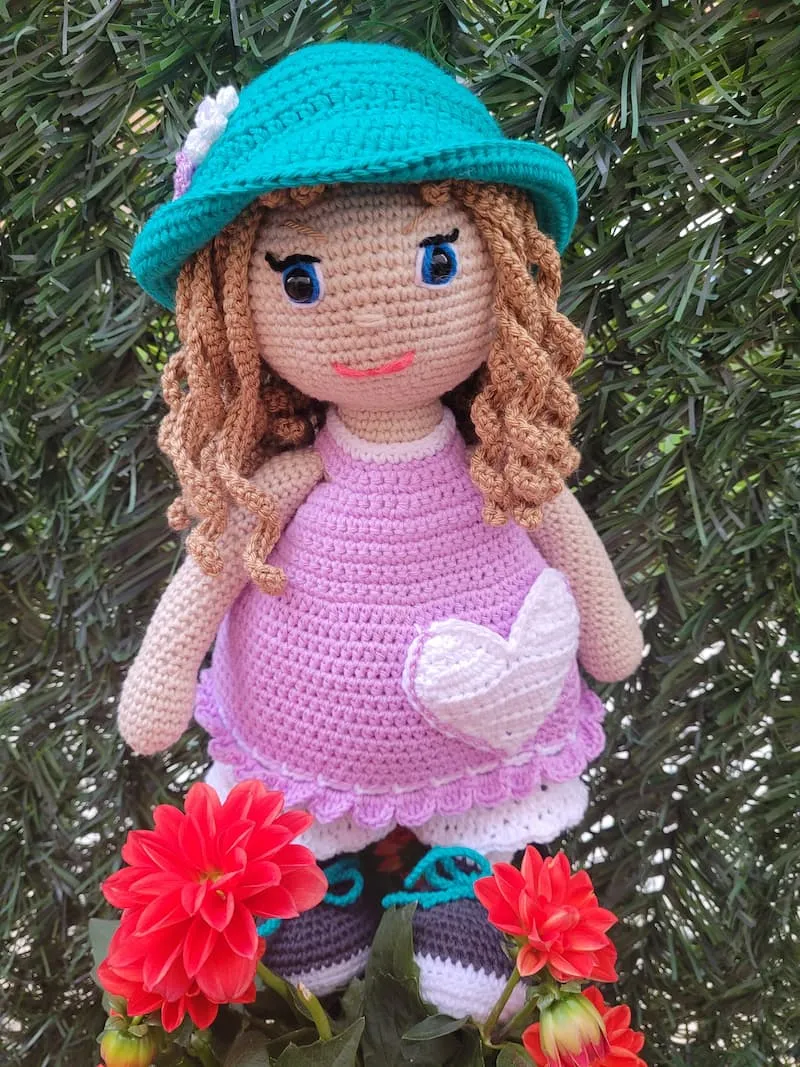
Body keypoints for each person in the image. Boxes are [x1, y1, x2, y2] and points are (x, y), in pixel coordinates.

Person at [119, 40, 642, 1020]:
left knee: (485, 824)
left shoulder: (500, 461)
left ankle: (469, 880)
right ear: (235, 302)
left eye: (436, 260)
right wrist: (161, 677)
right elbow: (213, 561)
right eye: (300, 280)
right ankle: (325, 875)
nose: (371, 319)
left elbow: (563, 532)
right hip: (306, 742)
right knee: (299, 865)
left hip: (490, 723)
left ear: (497, 268)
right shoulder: (287, 476)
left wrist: (608, 631)